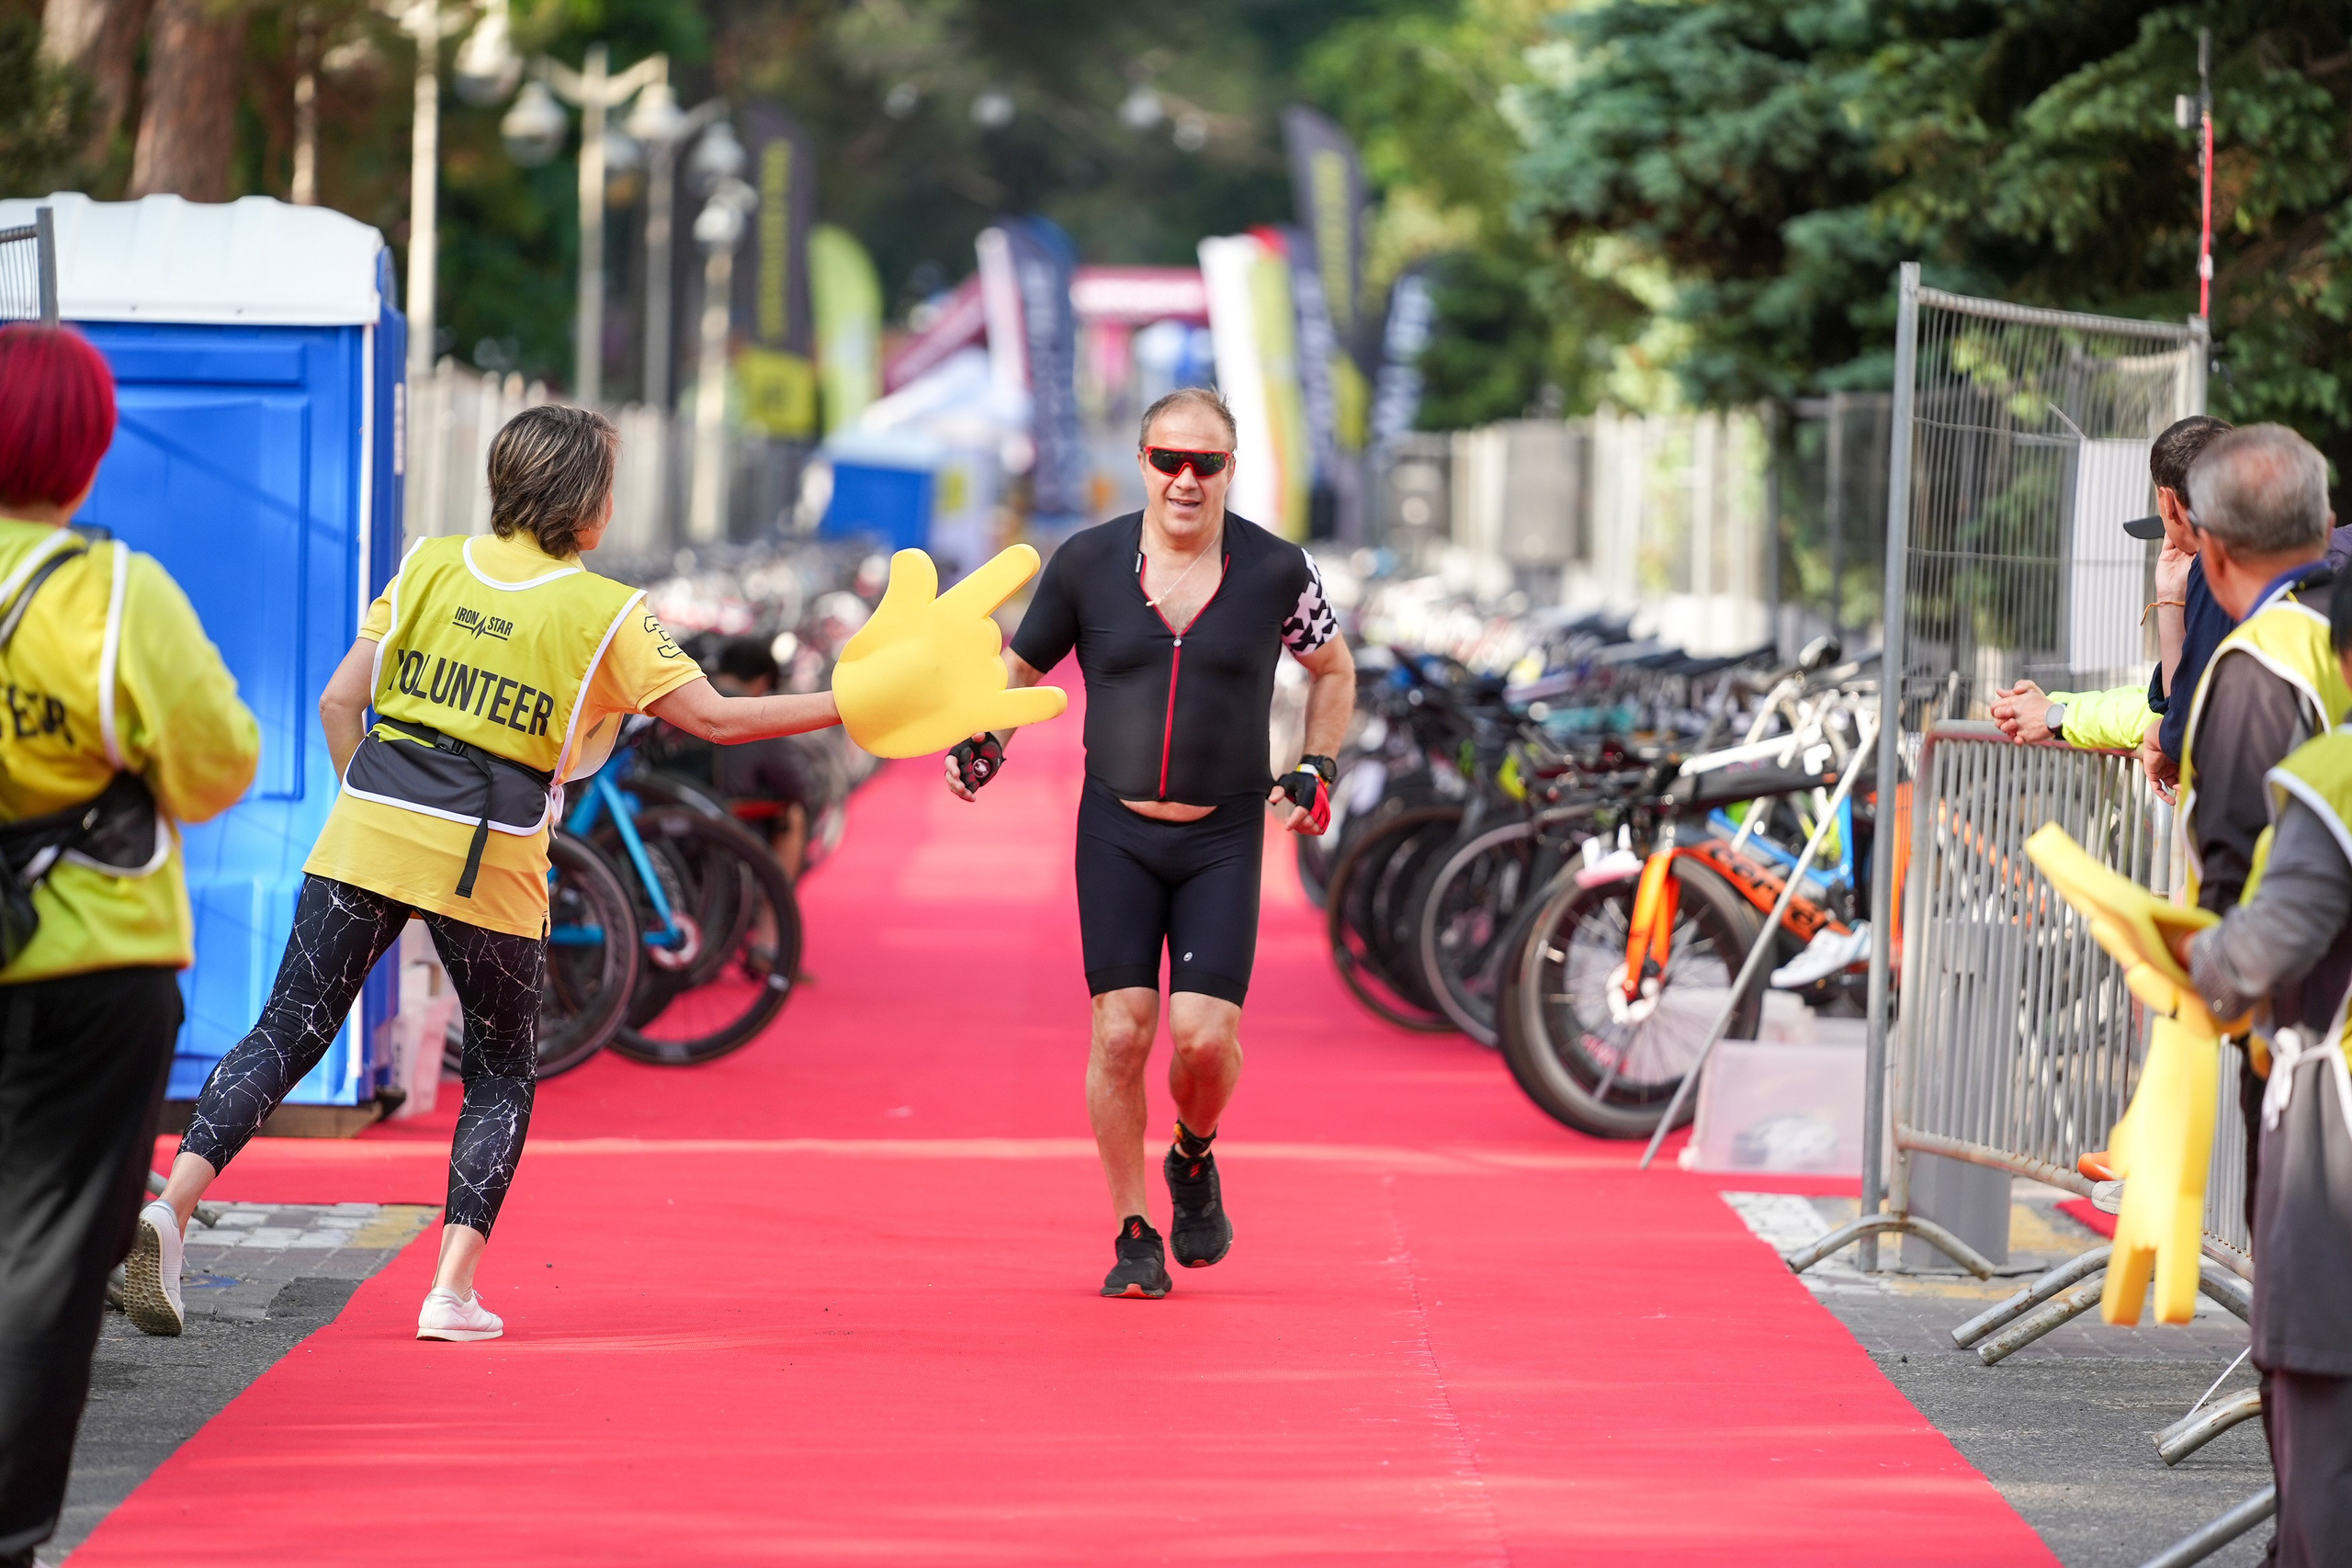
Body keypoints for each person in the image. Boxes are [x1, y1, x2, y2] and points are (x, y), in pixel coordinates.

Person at [131, 405, 849, 1347]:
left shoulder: (429, 562)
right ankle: (449, 1293)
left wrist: (370, 798)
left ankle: (171, 1209)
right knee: (503, 1070)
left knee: (285, 1032)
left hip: (371, 828)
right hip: (492, 857)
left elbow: (340, 700)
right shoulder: (607, 611)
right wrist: (848, 703)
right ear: (588, 505)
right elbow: (717, 720)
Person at [944, 387, 1356, 1299]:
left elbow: (1332, 666)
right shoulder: (1088, 563)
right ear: (1141, 464)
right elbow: (1020, 668)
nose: (1184, 479)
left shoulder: (1276, 570)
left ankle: (1193, 1153)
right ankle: (1133, 1229)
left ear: (1228, 471)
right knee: (1122, 1031)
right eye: (1167, 460)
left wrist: (1317, 765)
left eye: (1204, 463)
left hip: (1223, 837)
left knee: (1203, 1041)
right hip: (1117, 831)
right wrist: (983, 744)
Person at [0, 326, 260, 1568]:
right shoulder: (114, 593)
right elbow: (218, 767)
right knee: (47, 1262)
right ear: (87, 448)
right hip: (92, 966)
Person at [2166, 578, 2352, 1564]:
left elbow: (2252, 954)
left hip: (2335, 1139)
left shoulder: (2335, 778)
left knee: (2320, 1410)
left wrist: (2176, 957)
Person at [1991, 415, 2234, 782]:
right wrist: (2169, 597)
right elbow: (2175, 708)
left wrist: (2058, 716)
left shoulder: (2219, 569)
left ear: (2168, 504)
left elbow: (2183, 726)